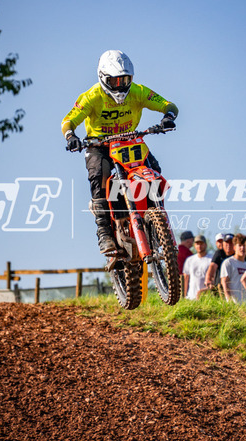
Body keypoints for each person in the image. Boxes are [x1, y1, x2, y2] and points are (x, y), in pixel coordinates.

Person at [61, 50, 179, 254]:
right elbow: (68, 121)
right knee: (99, 177)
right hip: (100, 145)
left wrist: (168, 117)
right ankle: (105, 233)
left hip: (130, 141)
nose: (120, 85)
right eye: (115, 81)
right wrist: (71, 136)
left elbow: (169, 105)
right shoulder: (91, 96)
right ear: (103, 78)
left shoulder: (138, 91)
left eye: (125, 80)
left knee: (154, 169)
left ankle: (155, 219)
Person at [220, 233, 246, 303]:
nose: (242, 248)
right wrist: (229, 300)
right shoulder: (229, 262)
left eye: (245, 245)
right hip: (234, 304)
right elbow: (224, 282)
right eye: (240, 245)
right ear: (234, 247)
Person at [183, 235, 212, 300]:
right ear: (194, 245)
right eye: (197, 244)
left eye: (201, 244)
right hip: (191, 297)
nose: (199, 246)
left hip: (206, 297)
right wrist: (184, 295)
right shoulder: (189, 260)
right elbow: (186, 278)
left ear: (205, 245)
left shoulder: (211, 260)